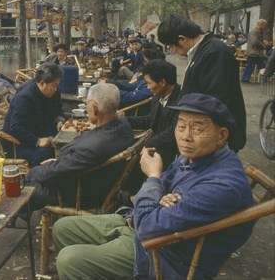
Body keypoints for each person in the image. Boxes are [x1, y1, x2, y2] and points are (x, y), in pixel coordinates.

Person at [52, 94, 254, 279]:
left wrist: (154, 177)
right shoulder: (194, 156)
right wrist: (159, 193)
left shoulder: (223, 185)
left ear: (221, 136)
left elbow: (149, 226)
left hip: (163, 257)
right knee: (63, 227)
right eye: (181, 126)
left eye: (198, 128)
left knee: (69, 260)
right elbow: (157, 197)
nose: (186, 136)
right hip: (140, 223)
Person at [23, 83, 135, 211]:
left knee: (27, 185)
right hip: (99, 181)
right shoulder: (124, 125)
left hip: (83, 194)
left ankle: (20, 218)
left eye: (87, 103)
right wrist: (61, 162)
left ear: (94, 108)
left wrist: (33, 172)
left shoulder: (92, 147)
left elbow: (55, 173)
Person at [157, 13, 246, 152]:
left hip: (214, 140)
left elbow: (214, 102)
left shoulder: (215, 53)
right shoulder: (203, 50)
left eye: (171, 46)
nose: (173, 51)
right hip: (202, 135)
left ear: (182, 39)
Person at [1, 63, 65, 167]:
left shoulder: (53, 91)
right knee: (46, 152)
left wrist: (59, 120)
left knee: (65, 145)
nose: (56, 89)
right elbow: (15, 127)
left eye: (57, 85)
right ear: (42, 83)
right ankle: (36, 179)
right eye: (54, 85)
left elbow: (58, 110)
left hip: (42, 130)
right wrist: (38, 141)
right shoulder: (25, 97)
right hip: (19, 143)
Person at [123, 59, 180, 164]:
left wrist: (145, 144)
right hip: (154, 148)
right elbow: (150, 120)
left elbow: (172, 133)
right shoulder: (158, 96)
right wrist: (123, 120)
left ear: (162, 82)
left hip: (167, 156)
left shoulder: (181, 101)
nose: (148, 87)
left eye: (149, 83)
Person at [241, 19, 267, 83]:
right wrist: (263, 45)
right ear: (261, 24)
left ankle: (263, 79)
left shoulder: (258, 31)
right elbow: (255, 41)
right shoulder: (254, 31)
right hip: (254, 52)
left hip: (257, 53)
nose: (265, 27)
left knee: (260, 66)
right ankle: (245, 79)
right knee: (251, 66)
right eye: (264, 25)